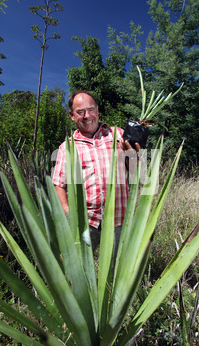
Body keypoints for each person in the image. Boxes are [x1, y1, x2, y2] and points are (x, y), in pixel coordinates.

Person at [52, 90, 140, 256]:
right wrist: (69, 215)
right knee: (81, 270)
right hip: (86, 221)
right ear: (71, 115)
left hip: (119, 219)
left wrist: (133, 155)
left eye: (91, 109)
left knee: (118, 272)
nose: (87, 115)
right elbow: (59, 184)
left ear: (97, 110)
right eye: (80, 112)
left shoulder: (118, 135)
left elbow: (136, 173)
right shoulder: (67, 148)